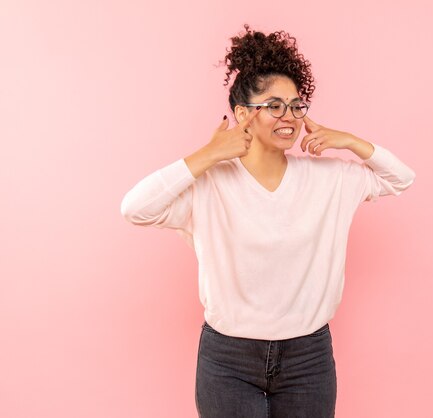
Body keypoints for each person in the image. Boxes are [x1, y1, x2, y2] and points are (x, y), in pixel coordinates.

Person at [120, 24, 415, 418]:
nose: (288, 116)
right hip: (228, 359)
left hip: (308, 358)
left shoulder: (329, 179)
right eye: (273, 105)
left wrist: (348, 140)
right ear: (243, 114)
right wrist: (207, 155)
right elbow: (135, 208)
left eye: (296, 105)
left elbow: (401, 178)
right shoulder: (209, 185)